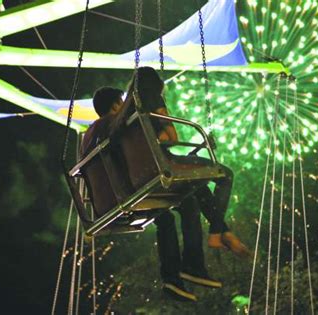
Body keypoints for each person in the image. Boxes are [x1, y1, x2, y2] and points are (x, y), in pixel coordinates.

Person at [81, 87, 221, 302]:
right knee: (190, 200)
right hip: (130, 189)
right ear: (116, 105)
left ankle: (172, 280)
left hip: (107, 201)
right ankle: (192, 264)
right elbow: (159, 141)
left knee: (164, 218)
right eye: (121, 102)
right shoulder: (114, 123)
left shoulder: (88, 135)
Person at [111, 67, 250, 258]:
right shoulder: (153, 100)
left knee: (199, 185)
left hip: (143, 172)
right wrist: (163, 133)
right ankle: (217, 232)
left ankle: (224, 232)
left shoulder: (125, 113)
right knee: (225, 175)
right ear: (155, 84)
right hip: (164, 165)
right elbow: (172, 138)